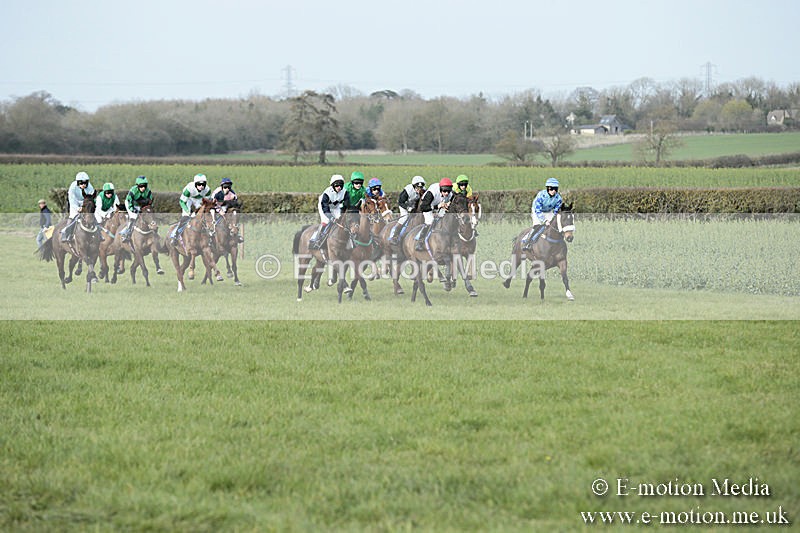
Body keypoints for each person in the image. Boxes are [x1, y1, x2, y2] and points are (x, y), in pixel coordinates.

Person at [522, 177, 563, 251]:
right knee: (538, 226)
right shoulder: (541, 195)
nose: (553, 191)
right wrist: (544, 221)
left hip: (548, 211)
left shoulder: (559, 199)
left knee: (552, 225)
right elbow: (538, 210)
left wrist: (552, 219)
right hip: (537, 211)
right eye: (551, 189)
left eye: (555, 189)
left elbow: (555, 211)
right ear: (547, 188)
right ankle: (528, 242)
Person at [169, 173, 211, 244]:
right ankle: (175, 235)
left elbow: (205, 204)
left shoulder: (207, 190)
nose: (201, 186)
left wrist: (197, 212)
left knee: (203, 216)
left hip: (199, 200)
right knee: (186, 217)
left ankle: (209, 236)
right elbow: (182, 202)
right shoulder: (189, 189)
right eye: (199, 184)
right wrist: (188, 211)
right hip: (188, 199)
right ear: (195, 184)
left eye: (203, 184)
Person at [309, 174, 348, 250]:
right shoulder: (327, 193)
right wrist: (331, 217)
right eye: (337, 186)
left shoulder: (345, 192)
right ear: (332, 185)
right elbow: (325, 208)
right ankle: (316, 239)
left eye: (341, 185)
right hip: (324, 207)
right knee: (326, 221)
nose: (339, 187)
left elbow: (346, 205)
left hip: (336, 207)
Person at [415, 178, 454, 251]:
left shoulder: (451, 194)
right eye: (444, 191)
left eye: (448, 191)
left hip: (440, 205)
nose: (446, 193)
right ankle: (420, 242)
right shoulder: (431, 192)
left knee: (445, 219)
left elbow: (453, 200)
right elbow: (423, 207)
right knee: (430, 221)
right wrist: (437, 206)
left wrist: (449, 204)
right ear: (440, 189)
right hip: (427, 205)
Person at [388, 175, 425, 245]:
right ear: (414, 186)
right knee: (404, 218)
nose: (419, 189)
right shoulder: (407, 190)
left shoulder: (424, 191)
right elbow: (400, 202)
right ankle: (394, 236)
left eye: (421, 187)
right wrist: (408, 208)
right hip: (404, 205)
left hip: (414, 207)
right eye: (417, 187)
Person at [60, 171, 95, 242]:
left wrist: (86, 207)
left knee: (92, 216)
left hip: (85, 204)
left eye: (85, 183)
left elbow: (91, 198)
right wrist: (77, 208)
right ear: (77, 182)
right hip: (75, 204)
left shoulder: (90, 187)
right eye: (81, 183)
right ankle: (66, 234)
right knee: (73, 217)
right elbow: (72, 200)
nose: (83, 185)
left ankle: (99, 234)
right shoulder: (73, 187)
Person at [120, 176, 153, 243]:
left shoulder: (148, 191)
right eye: (141, 186)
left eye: (145, 186)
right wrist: (133, 209)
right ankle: (126, 234)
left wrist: (149, 209)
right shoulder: (133, 190)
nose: (143, 188)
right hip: (131, 203)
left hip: (140, 205)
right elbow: (129, 201)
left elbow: (150, 202)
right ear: (137, 186)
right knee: (134, 216)